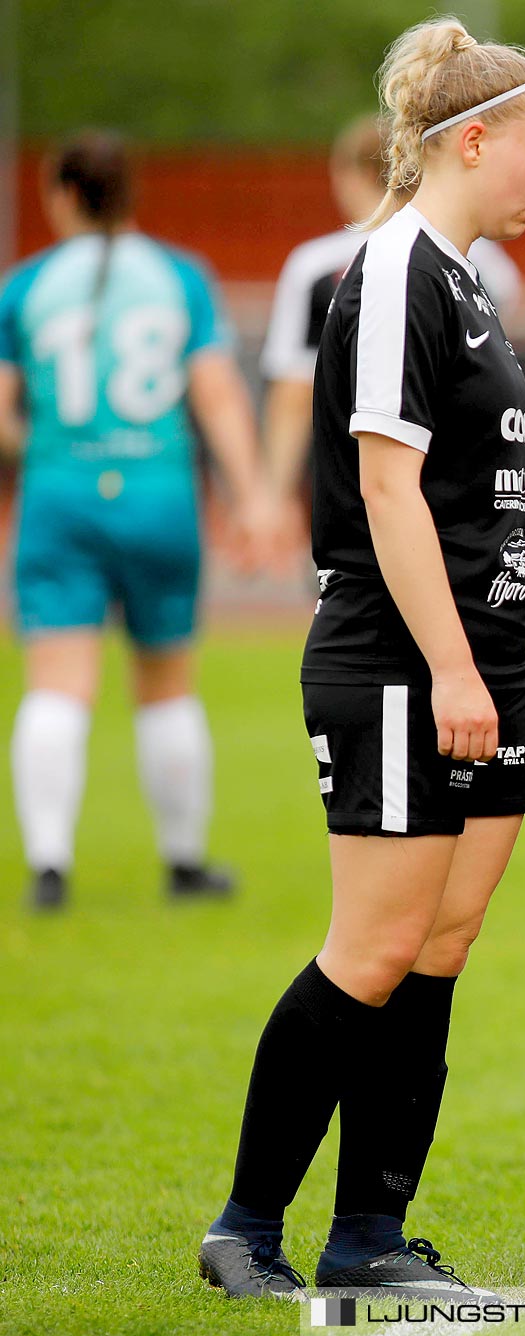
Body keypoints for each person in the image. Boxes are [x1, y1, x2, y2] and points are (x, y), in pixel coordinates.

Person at [196, 17, 525, 1301]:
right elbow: (388, 491)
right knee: (373, 946)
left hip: (484, 661)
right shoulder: (397, 265)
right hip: (406, 661)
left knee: (443, 943)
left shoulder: (463, 278)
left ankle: (371, 1240)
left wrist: (491, 661)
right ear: (474, 141)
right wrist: (454, 669)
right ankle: (246, 1225)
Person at [0, 132, 276, 911]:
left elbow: (3, 418)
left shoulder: (25, 286)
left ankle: (50, 866)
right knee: (165, 682)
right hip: (160, 491)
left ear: (61, 195)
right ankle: (184, 861)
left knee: (57, 683)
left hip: (60, 492)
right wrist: (253, 494)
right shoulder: (180, 277)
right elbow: (217, 395)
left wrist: (48, 445)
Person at [260, 114, 522, 562]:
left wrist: (272, 493)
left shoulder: (320, 267)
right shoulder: (484, 263)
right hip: (461, 489)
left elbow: (294, 390)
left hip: (354, 486)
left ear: (354, 174)